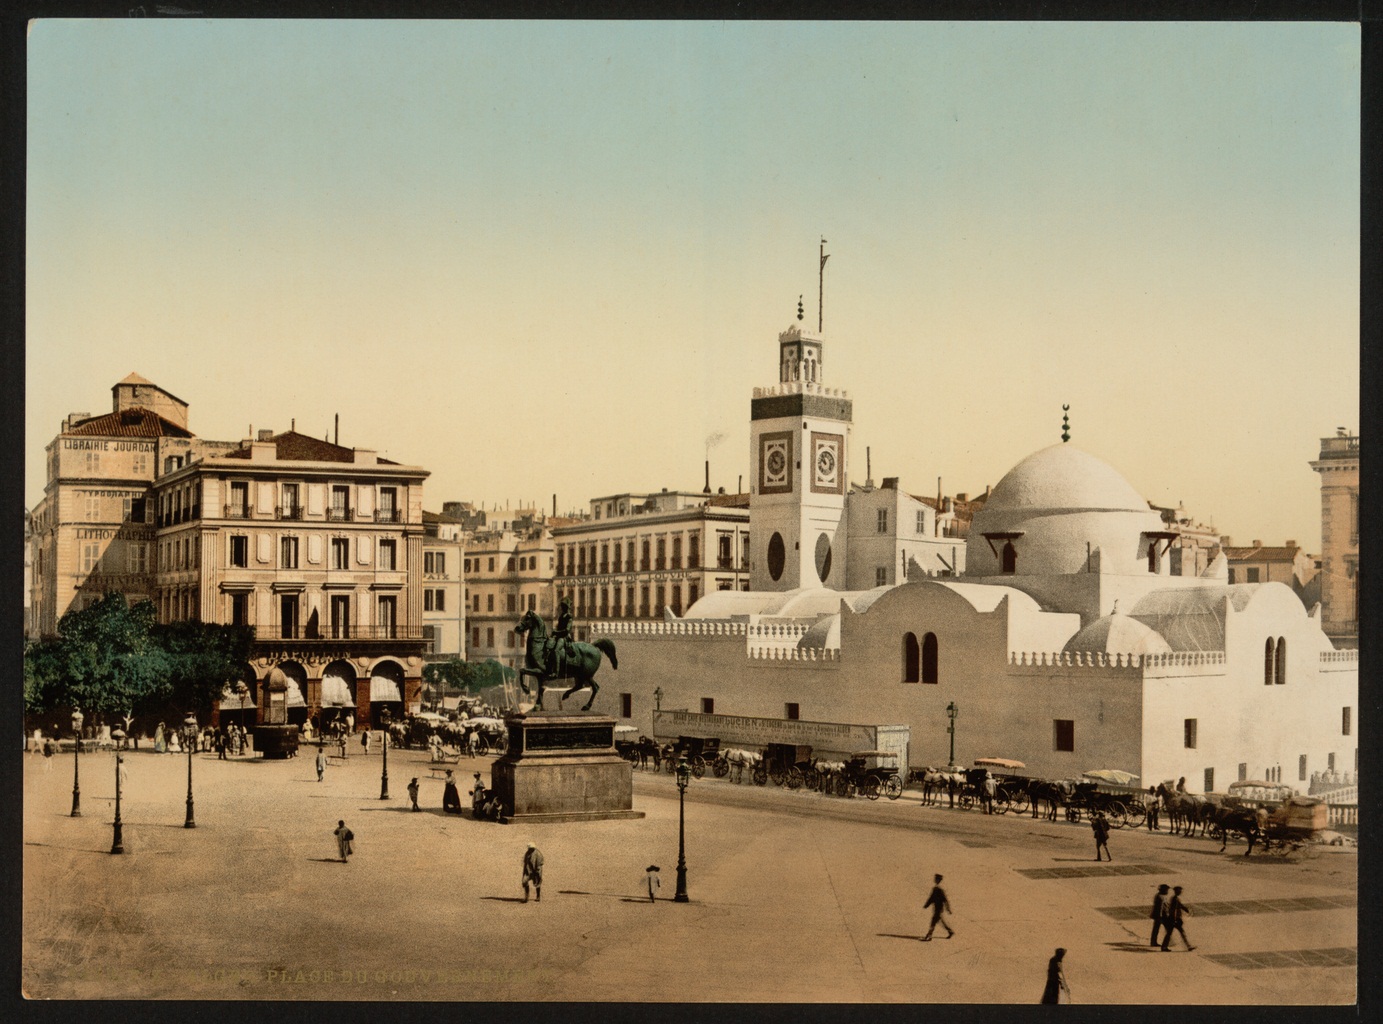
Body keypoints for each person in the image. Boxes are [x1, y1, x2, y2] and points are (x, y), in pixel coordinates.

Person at [1161, 886, 1194, 951]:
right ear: (1176, 891)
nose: (1181, 892)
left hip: (1173, 918)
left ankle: (1188, 946)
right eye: (1179, 890)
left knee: (1171, 933)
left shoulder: (1175, 898)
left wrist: (1185, 909)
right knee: (1175, 932)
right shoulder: (1175, 899)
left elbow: (1180, 905)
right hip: (1174, 919)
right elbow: (1174, 910)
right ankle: (1188, 946)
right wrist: (1175, 919)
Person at [922, 874, 953, 940]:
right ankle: (950, 931)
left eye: (936, 879)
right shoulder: (935, 888)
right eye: (935, 878)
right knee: (939, 921)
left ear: (939, 880)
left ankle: (929, 935)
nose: (935, 879)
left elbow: (945, 900)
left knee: (933, 921)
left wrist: (948, 908)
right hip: (937, 908)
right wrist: (926, 905)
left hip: (939, 909)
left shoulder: (940, 889)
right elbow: (931, 898)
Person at [551, 598, 574, 677]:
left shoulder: (569, 617)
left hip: (564, 637)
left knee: (556, 650)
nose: (562, 608)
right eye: (562, 606)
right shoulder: (561, 616)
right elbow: (558, 627)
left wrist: (556, 633)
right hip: (558, 636)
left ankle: (556, 672)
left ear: (567, 607)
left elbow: (567, 630)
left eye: (563, 606)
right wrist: (554, 633)